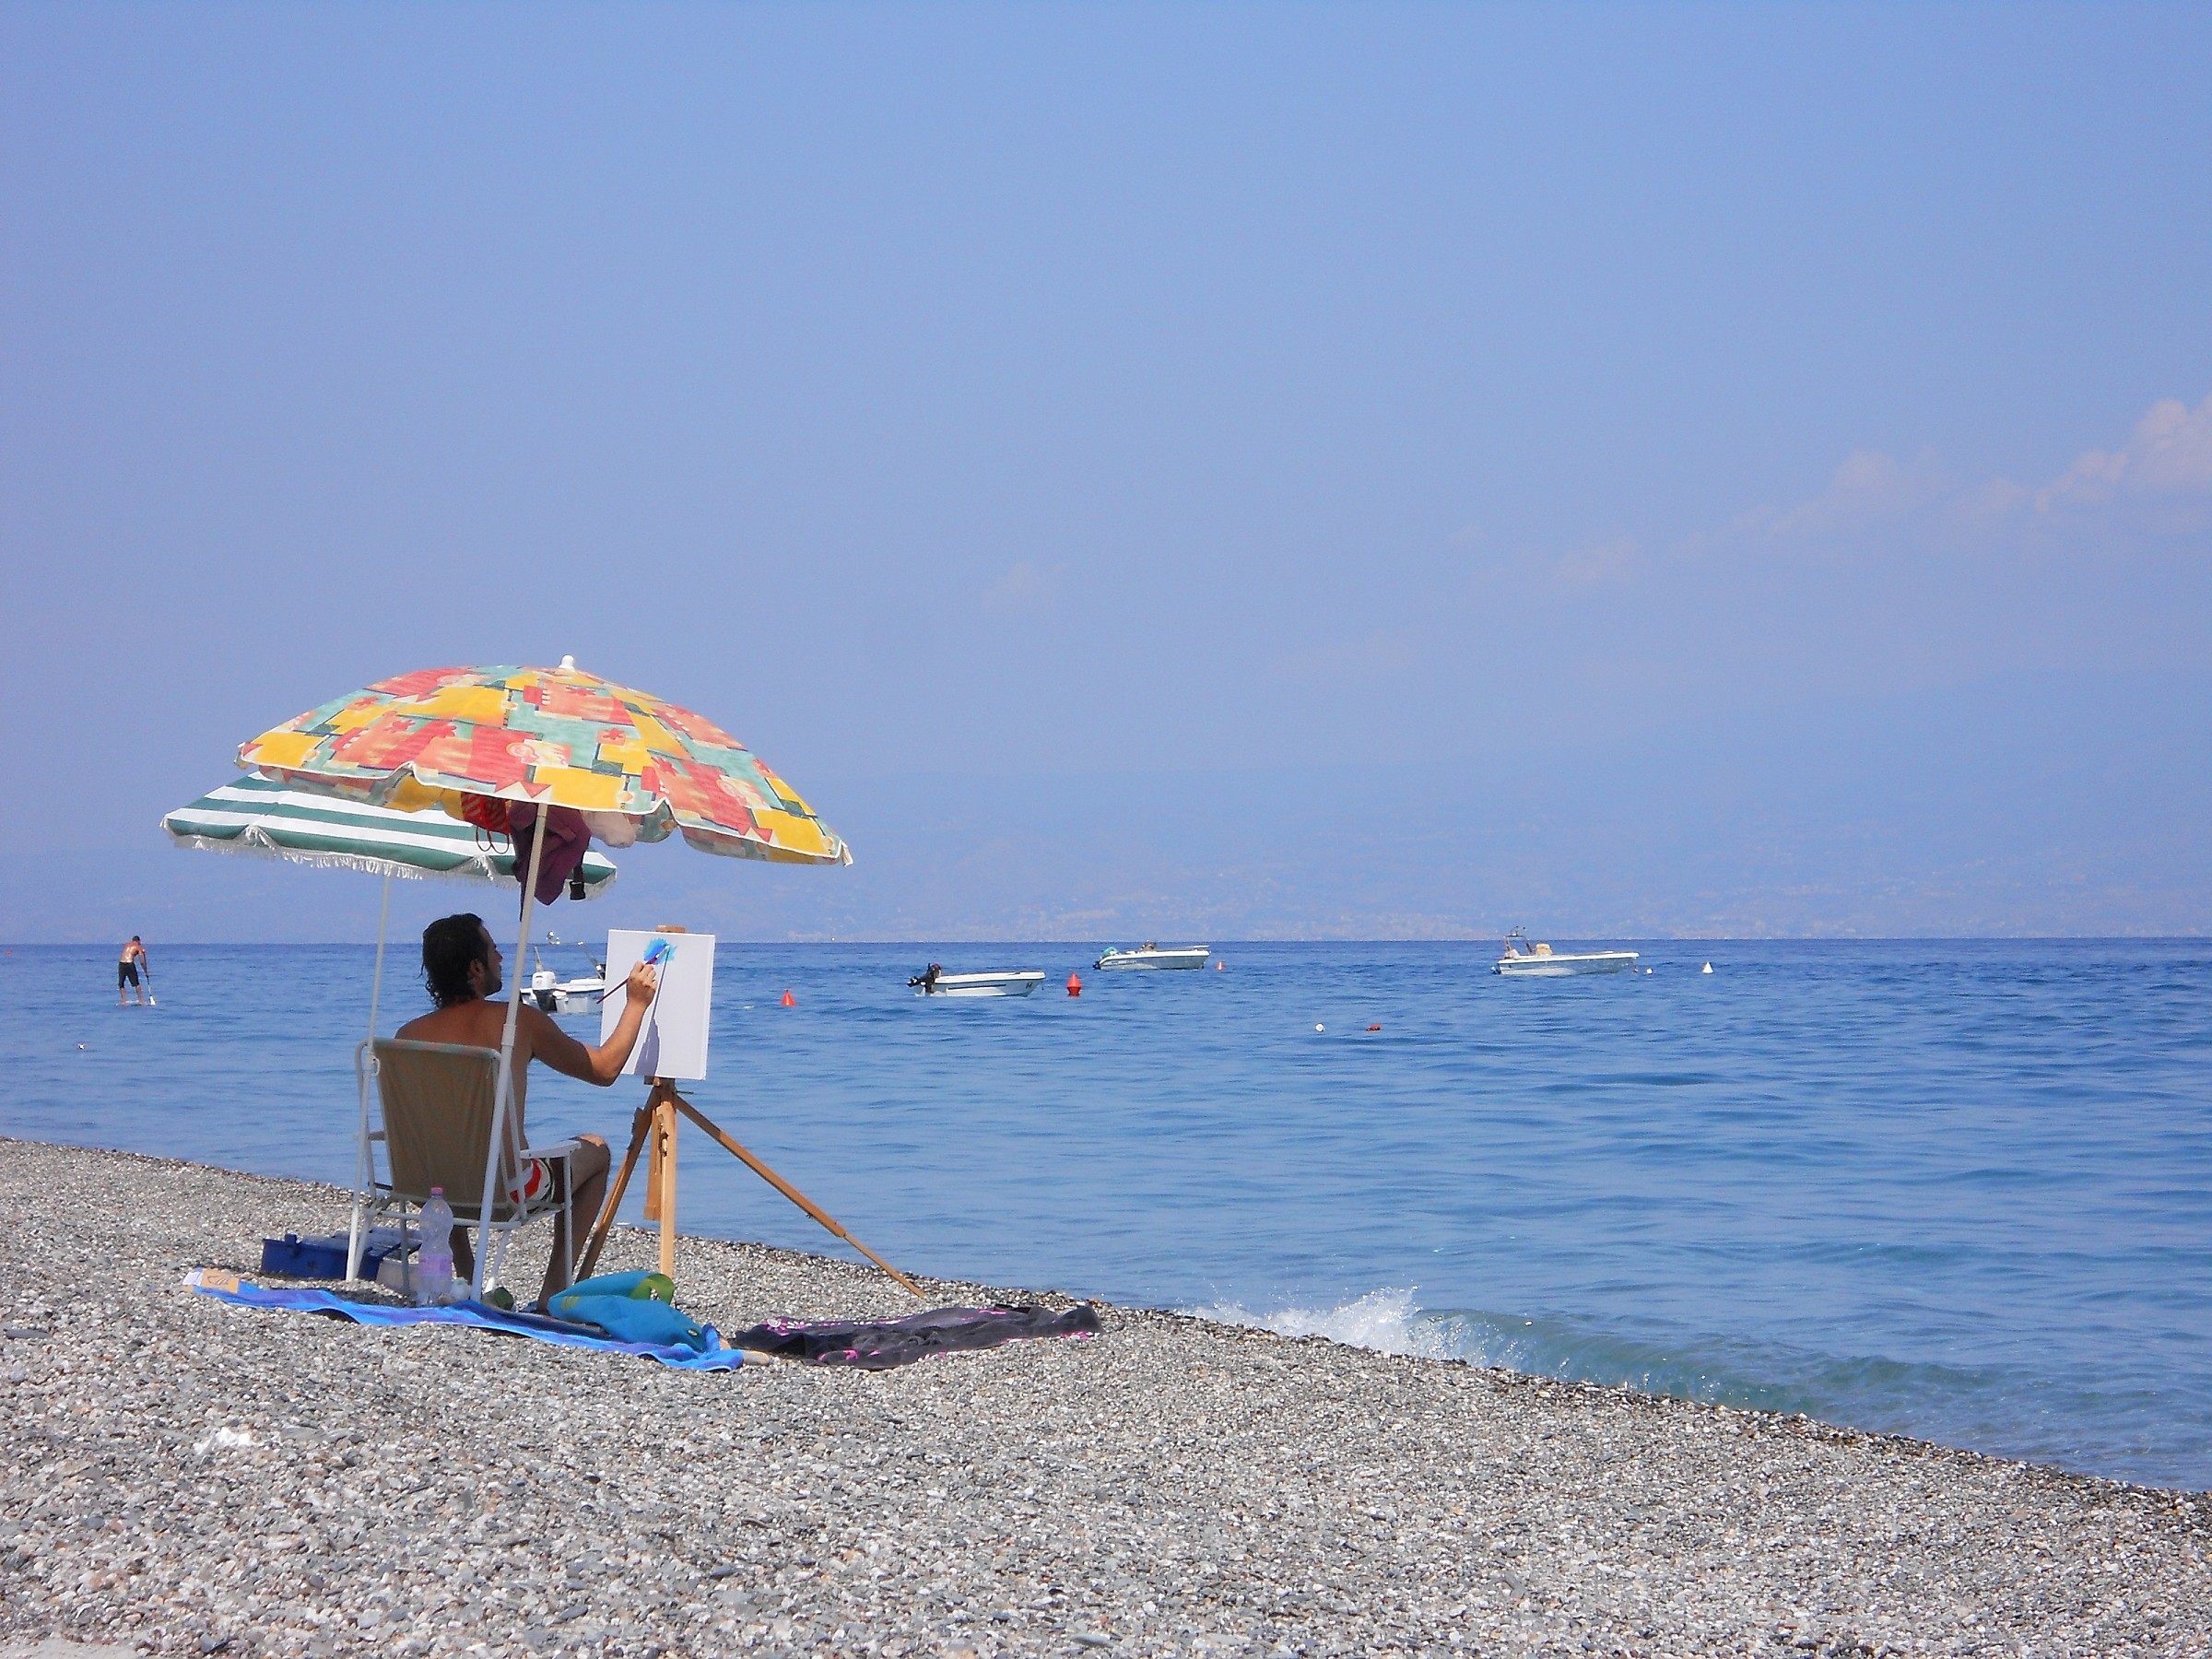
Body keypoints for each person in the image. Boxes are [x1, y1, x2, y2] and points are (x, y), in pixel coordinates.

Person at [397, 912, 660, 1310]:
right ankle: (554, 1289)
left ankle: (468, 1279)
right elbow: (605, 1069)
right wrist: (637, 1003)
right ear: (475, 967)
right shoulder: (516, 1022)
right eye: (493, 949)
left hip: (425, 1186)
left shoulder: (408, 1036)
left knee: (447, 1155)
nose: (502, 958)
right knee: (597, 1149)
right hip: (506, 1190)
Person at [117, 936, 147, 1006]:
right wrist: (145, 971)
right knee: (136, 983)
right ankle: (141, 1001)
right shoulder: (138, 947)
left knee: (121, 983)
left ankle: (123, 1001)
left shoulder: (126, 944)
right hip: (129, 964)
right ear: (138, 941)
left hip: (121, 963)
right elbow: (142, 962)